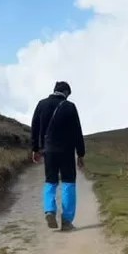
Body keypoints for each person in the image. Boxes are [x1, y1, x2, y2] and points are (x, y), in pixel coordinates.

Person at [30, 81, 85, 231]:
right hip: (67, 151)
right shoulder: (70, 106)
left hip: (48, 151)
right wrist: (80, 154)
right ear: (66, 92)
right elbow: (77, 131)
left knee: (50, 181)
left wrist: (35, 149)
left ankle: (49, 210)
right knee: (68, 183)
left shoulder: (41, 104)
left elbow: (34, 127)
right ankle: (66, 221)